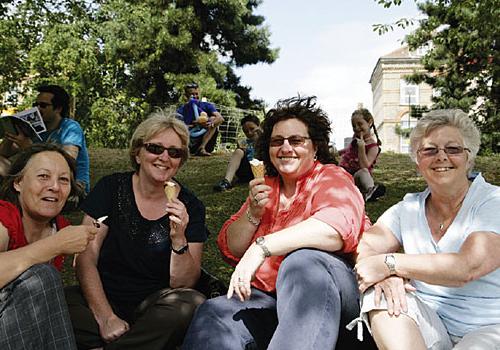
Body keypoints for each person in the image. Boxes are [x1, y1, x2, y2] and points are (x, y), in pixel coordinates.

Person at [183, 96, 375, 349]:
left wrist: (262, 246)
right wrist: (252, 213)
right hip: (267, 299)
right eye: (277, 141)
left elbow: (336, 227)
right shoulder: (268, 187)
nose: (285, 148)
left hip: (332, 299)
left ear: (315, 146)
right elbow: (231, 248)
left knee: (303, 261)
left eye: (296, 140)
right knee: (214, 313)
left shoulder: (331, 177)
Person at [354, 109, 500, 349]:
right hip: (429, 323)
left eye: (453, 149)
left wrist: (390, 264)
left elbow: (466, 267)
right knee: (379, 296)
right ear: (418, 161)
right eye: (430, 150)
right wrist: (385, 275)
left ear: (469, 157)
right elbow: (366, 243)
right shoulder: (409, 207)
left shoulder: (493, 201)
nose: (441, 157)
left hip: (488, 326)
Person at [66, 110, 208, 350]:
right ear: (138, 153)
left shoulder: (190, 206)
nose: (164, 157)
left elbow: (183, 283)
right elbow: (85, 256)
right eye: (155, 148)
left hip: (155, 306)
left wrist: (179, 237)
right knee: (51, 302)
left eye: (174, 153)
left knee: (190, 304)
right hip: (102, 297)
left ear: (180, 162)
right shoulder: (111, 188)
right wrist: (105, 316)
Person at [0, 143, 97, 350]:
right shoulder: (4, 217)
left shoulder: (59, 227)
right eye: (43, 176)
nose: (54, 186)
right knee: (43, 275)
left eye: (63, 180)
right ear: (18, 183)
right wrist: (54, 245)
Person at [0, 85, 90, 193]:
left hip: (70, 184)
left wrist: (29, 148)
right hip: (40, 179)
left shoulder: (70, 128)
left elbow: (67, 161)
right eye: (35, 104)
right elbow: (3, 154)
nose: (37, 109)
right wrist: (11, 136)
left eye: (43, 105)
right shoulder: (34, 127)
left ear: (58, 109)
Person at [339, 108, 385, 201]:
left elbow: (365, 166)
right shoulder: (355, 138)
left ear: (369, 122)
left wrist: (361, 148)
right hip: (343, 175)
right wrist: (338, 152)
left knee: (363, 172)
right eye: (354, 126)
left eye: (360, 124)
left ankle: (370, 191)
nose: (357, 128)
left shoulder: (373, 147)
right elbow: (349, 150)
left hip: (356, 178)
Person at [213, 114, 262, 191]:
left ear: (259, 126)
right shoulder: (244, 142)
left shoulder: (266, 140)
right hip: (247, 171)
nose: (249, 133)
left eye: (252, 129)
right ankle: (227, 181)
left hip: (262, 170)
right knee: (239, 152)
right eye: (246, 131)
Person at [176, 82, 224, 156]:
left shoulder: (207, 105)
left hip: (205, 140)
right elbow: (177, 126)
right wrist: (195, 124)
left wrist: (210, 123)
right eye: (192, 94)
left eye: (196, 94)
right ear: (186, 96)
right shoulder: (182, 110)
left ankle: (202, 148)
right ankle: (184, 149)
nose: (195, 96)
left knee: (213, 118)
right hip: (189, 140)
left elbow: (220, 118)